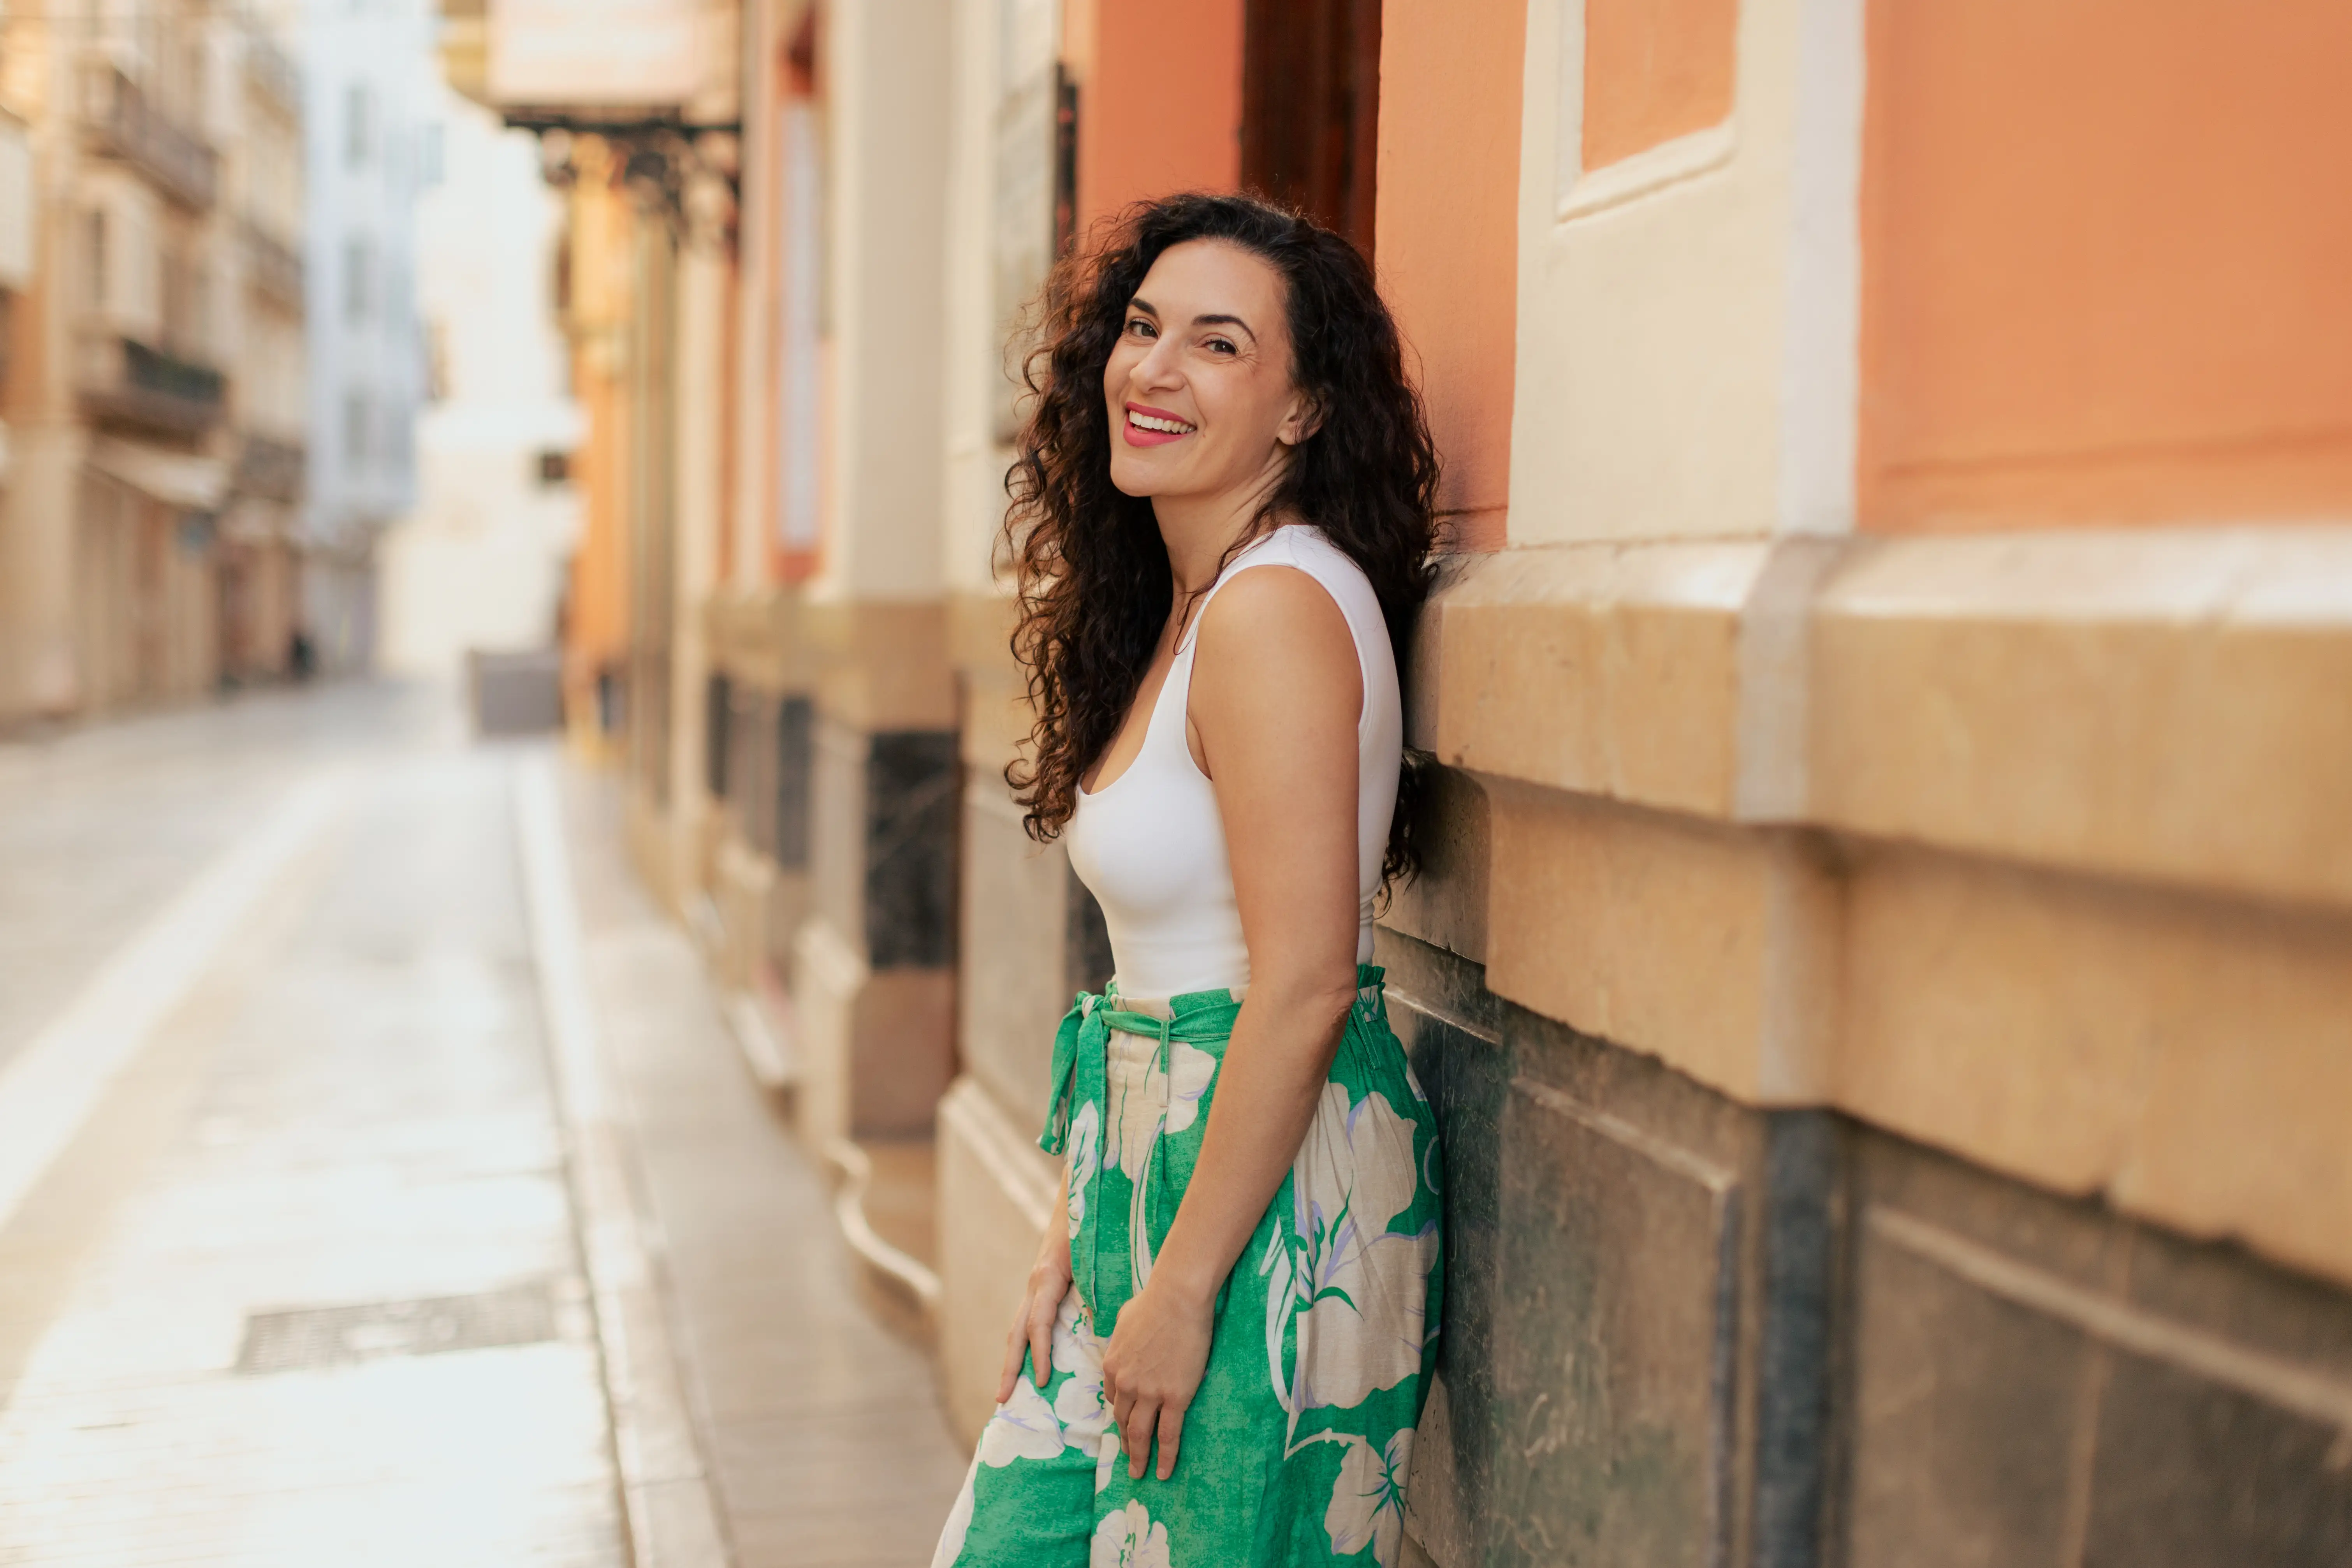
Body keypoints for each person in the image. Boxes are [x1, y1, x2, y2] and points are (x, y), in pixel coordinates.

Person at [932, 192, 1444, 1568]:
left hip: (1262, 1186)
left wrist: (1183, 1282)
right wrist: (1075, 1224)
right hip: (1155, 1153)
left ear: (1302, 410)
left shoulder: (1274, 609)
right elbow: (1156, 971)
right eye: (1144, 328)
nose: (1155, 370)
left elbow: (1306, 981)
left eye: (1219, 346)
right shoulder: (1190, 601)